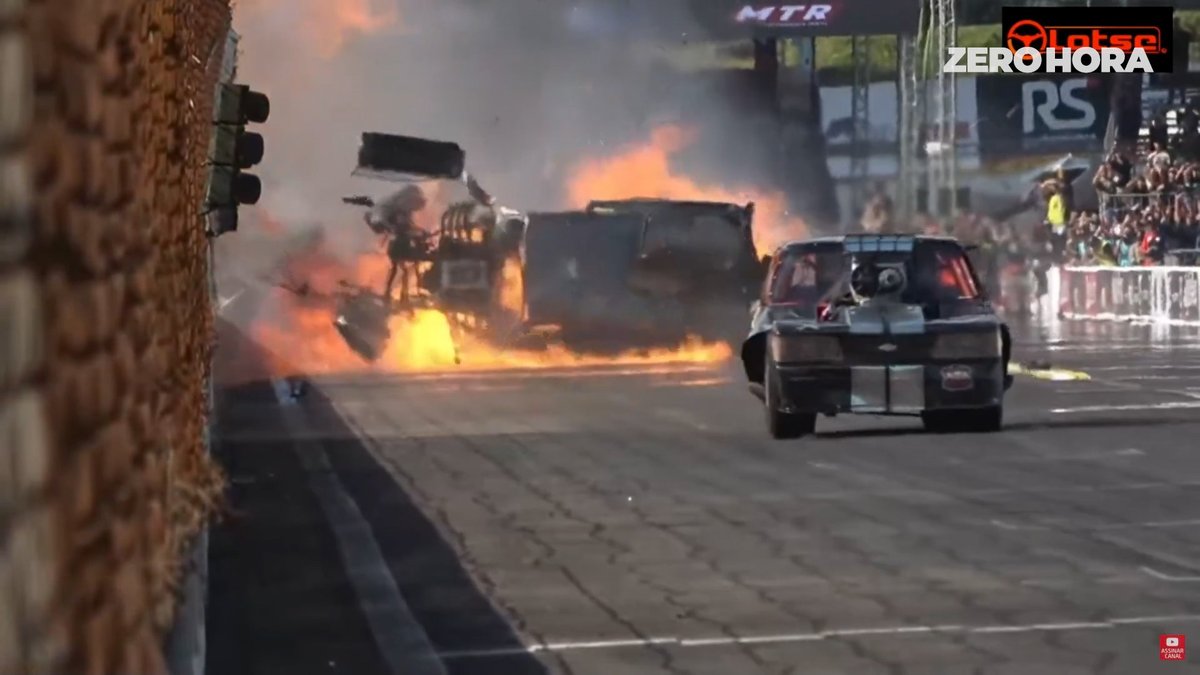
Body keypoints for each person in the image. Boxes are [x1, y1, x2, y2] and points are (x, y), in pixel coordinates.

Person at [365, 184, 430, 303]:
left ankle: (399, 294)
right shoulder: (392, 211)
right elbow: (401, 227)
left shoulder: (403, 213)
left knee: (403, 269)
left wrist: (421, 232)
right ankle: (394, 294)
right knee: (400, 269)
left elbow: (410, 226)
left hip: (400, 245)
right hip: (398, 246)